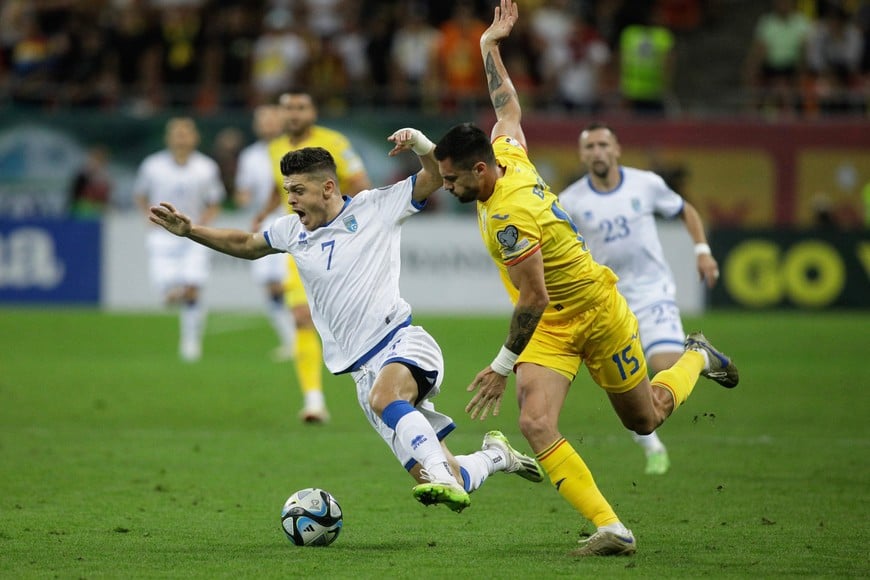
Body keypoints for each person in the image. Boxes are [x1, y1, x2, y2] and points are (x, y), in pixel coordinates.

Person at [432, 0, 738, 557]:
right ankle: (612, 527)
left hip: (596, 312)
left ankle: (697, 356)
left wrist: (502, 367)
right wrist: (489, 47)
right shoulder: (507, 157)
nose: (444, 188)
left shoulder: (508, 216)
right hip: (552, 328)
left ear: (480, 172)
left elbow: (533, 295)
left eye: (450, 179)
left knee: (647, 419)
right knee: (535, 421)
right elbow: (507, 110)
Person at [147, 128, 544, 514]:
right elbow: (247, 244)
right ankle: (495, 456)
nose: (291, 201)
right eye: (287, 191)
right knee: (446, 477)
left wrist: (422, 144)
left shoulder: (376, 207)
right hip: (360, 373)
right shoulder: (291, 231)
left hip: (401, 344)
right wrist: (191, 231)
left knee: (390, 401)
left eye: (297, 191)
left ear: (328, 188)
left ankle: (441, 472)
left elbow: (437, 176)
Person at [558, 122, 722, 476]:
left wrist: (702, 250)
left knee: (665, 366)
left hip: (652, 291)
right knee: (626, 382)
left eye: (604, 145)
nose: (598, 152)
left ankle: (698, 357)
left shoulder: (645, 184)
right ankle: (650, 442)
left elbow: (686, 211)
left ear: (616, 148)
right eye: (590, 147)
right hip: (608, 300)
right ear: (582, 155)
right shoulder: (570, 201)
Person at [254, 90, 372, 424]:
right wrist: (262, 212)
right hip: (301, 241)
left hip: (340, 242)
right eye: (288, 108)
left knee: (350, 320)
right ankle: (314, 400)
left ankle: (376, 386)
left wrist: (358, 228)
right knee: (301, 316)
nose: (293, 113)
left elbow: (362, 185)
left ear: (313, 110)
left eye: (301, 107)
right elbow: (279, 190)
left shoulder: (335, 142)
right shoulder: (275, 148)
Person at [134, 117, 225, 362]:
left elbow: (215, 201)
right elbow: (140, 195)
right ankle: (171, 293)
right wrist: (146, 214)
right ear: (168, 138)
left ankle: (191, 342)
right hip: (161, 236)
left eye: (186, 133)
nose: (181, 138)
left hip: (193, 235)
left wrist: (200, 225)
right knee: (169, 292)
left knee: (193, 287)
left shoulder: (206, 167)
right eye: (177, 133)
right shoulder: (152, 166)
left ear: (195, 138)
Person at [234, 105, 296, 361]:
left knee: (290, 283)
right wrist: (242, 197)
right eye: (263, 120)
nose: (268, 124)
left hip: (293, 220)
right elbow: (242, 191)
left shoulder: (291, 149)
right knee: (270, 285)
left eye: (272, 119)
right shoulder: (249, 156)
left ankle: (307, 337)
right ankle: (291, 341)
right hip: (264, 222)